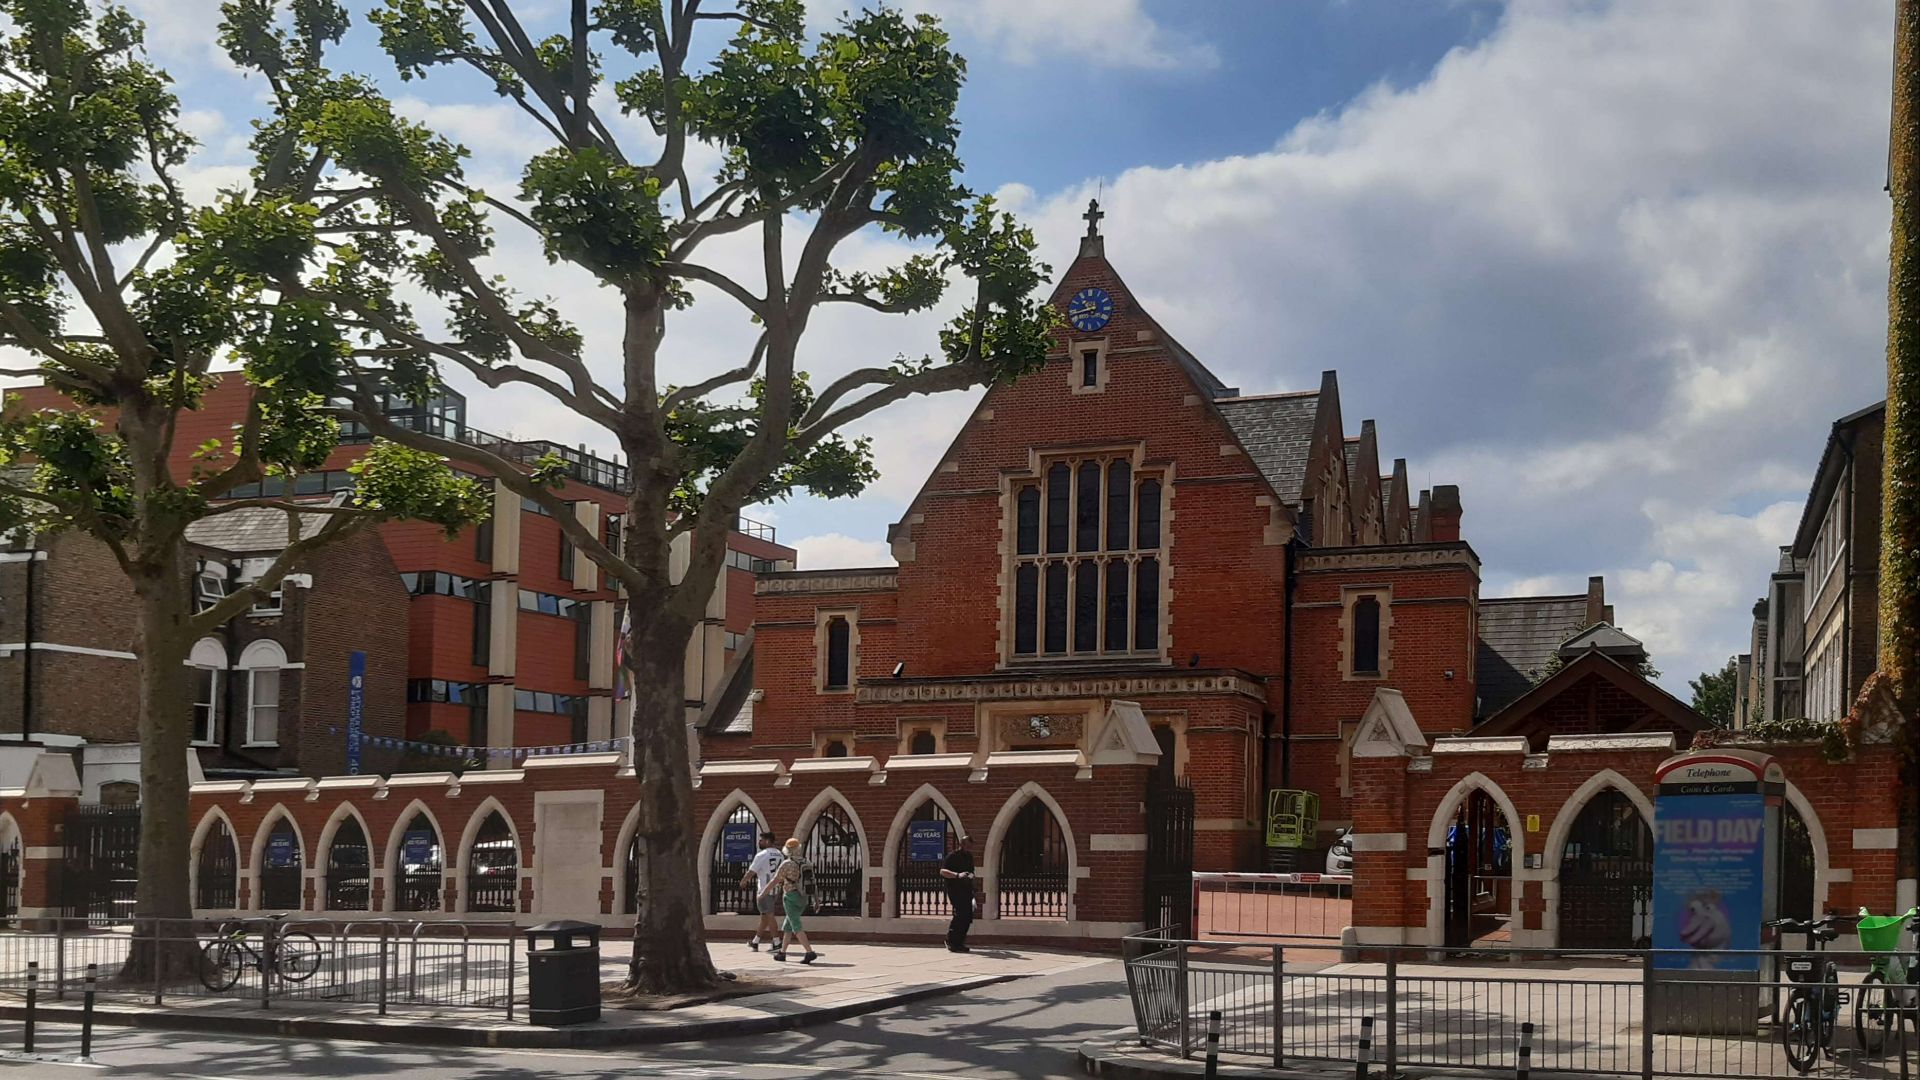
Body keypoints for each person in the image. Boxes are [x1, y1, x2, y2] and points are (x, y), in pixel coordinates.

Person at [763, 838, 819, 964]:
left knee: (795, 925)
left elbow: (775, 880)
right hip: (803, 897)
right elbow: (813, 882)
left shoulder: (787, 864)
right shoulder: (807, 862)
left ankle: (809, 952)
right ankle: (782, 953)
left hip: (791, 897)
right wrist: (816, 900)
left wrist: (763, 893)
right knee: (788, 926)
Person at [742, 832, 783, 951]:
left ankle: (776, 942)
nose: (759, 842)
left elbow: (751, 871)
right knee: (764, 915)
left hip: (764, 889)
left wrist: (743, 881)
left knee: (769, 915)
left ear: (768, 841)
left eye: (761, 840)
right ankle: (755, 941)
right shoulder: (780, 854)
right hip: (775, 888)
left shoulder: (762, 855)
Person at [940, 833, 976, 953]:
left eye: (971, 846)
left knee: (967, 916)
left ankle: (960, 942)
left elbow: (971, 871)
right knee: (960, 914)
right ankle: (951, 940)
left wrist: (970, 875)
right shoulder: (952, 856)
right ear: (962, 844)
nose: (970, 848)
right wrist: (957, 875)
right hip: (955, 890)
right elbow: (943, 871)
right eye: (968, 845)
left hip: (966, 890)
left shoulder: (969, 857)